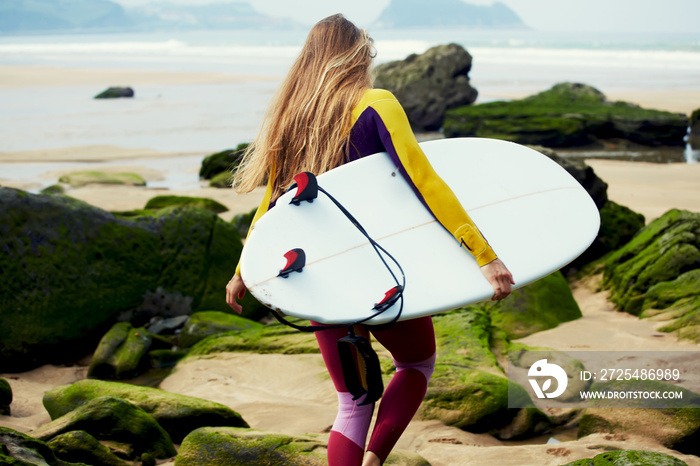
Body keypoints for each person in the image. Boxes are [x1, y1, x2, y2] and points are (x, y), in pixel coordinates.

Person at [226, 14, 514, 466]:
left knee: (353, 402)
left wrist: (245, 268)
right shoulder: (376, 102)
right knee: (416, 366)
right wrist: (483, 254)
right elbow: (425, 181)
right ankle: (376, 457)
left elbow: (270, 206)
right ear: (358, 55)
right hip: (377, 272)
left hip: (318, 278)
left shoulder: (290, 119)